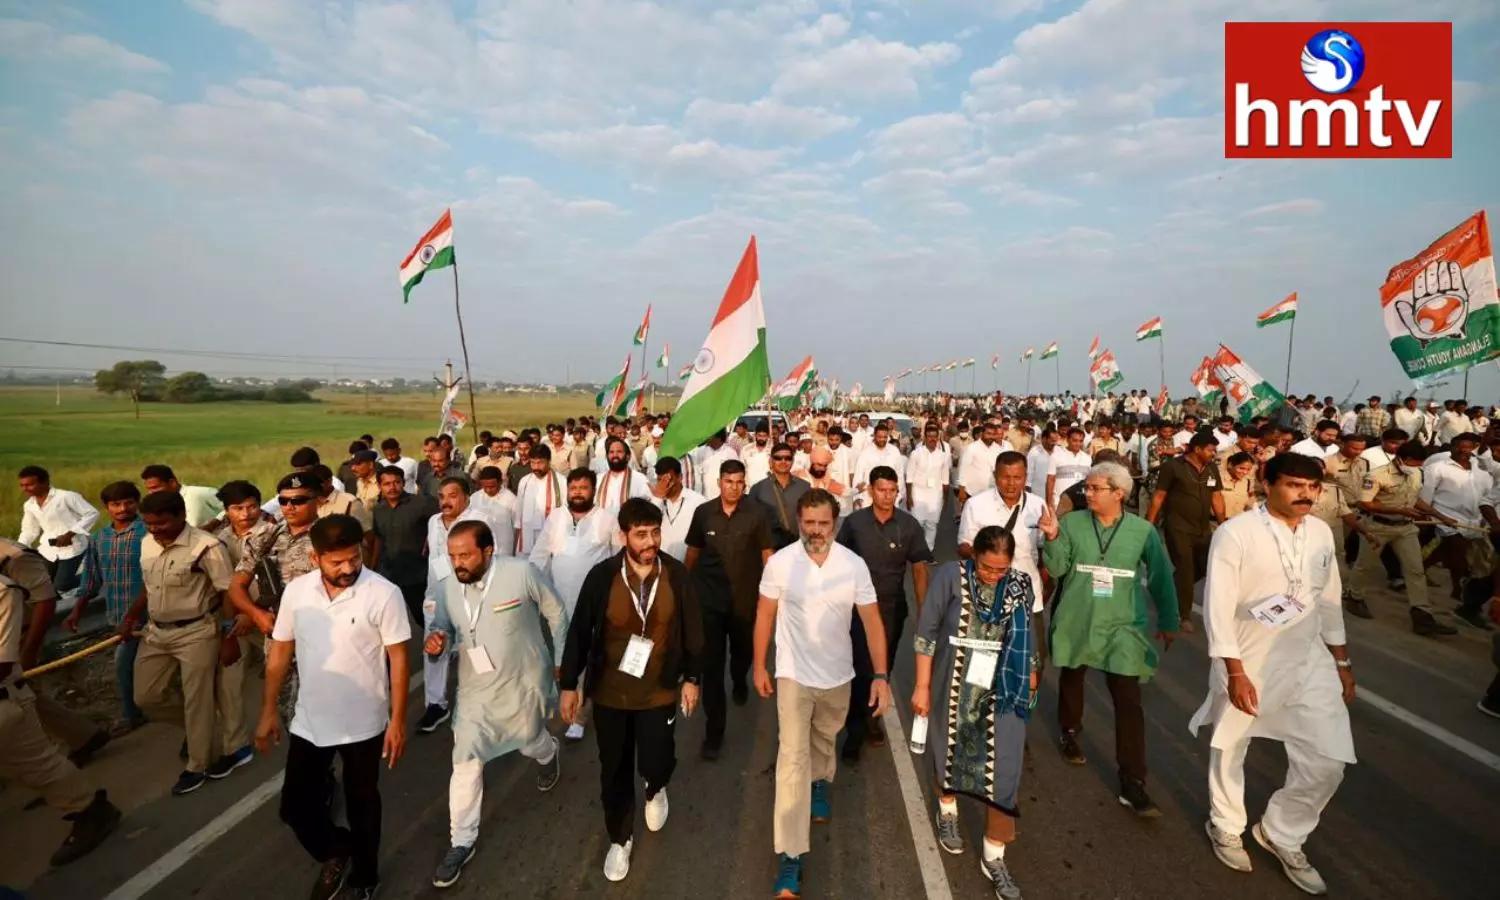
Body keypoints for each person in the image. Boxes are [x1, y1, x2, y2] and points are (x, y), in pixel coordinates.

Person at [1191, 453, 1356, 896]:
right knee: (1231, 745)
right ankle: (1225, 824)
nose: (1305, 494)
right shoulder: (1235, 533)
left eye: (1312, 487)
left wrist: (1341, 661)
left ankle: (1282, 832)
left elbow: (1329, 599)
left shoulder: (1320, 531)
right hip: (1247, 656)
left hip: (1308, 658)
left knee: (1328, 759)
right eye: (1294, 485)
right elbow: (1218, 606)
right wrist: (1235, 671)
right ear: (1267, 484)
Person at [257, 515, 411, 900]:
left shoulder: (384, 593)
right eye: (336, 562)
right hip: (311, 720)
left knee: (363, 803)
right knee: (294, 807)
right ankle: (337, 849)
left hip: (365, 722)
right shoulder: (297, 592)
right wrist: (268, 710)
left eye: (354, 559)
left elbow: (399, 660)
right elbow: (280, 652)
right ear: (315, 558)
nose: (348, 569)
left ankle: (365, 876)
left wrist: (398, 720)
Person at [753, 488, 890, 899]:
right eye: (809, 523)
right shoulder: (780, 563)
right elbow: (764, 614)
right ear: (799, 522)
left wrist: (881, 675)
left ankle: (820, 782)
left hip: (838, 675)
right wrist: (760, 664)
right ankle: (791, 855)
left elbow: (871, 621)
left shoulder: (853, 566)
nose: (816, 531)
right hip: (793, 675)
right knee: (791, 759)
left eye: (824, 523)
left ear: (836, 523)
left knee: (825, 738)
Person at [560, 498, 704, 882]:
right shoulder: (602, 576)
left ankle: (656, 789)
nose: (650, 541)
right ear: (623, 536)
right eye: (641, 534)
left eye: (655, 532)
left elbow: (693, 629)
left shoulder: (674, 574)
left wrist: (692, 677)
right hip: (611, 694)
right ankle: (620, 839)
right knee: (614, 769)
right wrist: (568, 685)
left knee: (657, 759)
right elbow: (579, 632)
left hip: (659, 691)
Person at [425, 521, 568, 888]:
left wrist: (561, 661)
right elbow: (440, 626)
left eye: (466, 555)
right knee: (466, 761)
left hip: (523, 683)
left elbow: (556, 612)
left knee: (529, 742)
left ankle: (548, 752)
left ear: (488, 551)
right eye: (453, 555)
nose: (458, 563)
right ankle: (461, 841)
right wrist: (436, 640)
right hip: (476, 692)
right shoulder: (447, 587)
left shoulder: (521, 573)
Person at [1040, 462, 1179, 816]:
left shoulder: (1142, 531)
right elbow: (1056, 569)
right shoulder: (1071, 524)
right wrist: (1052, 539)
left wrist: (1169, 619)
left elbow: (1162, 577)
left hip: (1123, 625)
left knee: (1129, 701)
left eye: (1094, 488)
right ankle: (1069, 731)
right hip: (1079, 616)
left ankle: (1133, 781)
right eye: (1086, 488)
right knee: (1073, 675)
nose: (1087, 494)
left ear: (1119, 493)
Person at [912, 526, 1039, 899]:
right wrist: (921, 685)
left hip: (1003, 687)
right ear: (974, 556)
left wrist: (1030, 669)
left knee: (1005, 770)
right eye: (987, 567)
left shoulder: (1019, 583)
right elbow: (927, 630)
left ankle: (994, 856)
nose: (993, 575)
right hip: (954, 680)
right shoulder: (951, 576)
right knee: (949, 750)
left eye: (1001, 569)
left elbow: (1026, 631)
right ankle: (948, 810)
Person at [0, 571, 122, 866]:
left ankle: (91, 811)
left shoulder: (3, 593)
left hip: (5, 699)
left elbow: (2, 663)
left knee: (39, 767)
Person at [124, 489, 236, 796]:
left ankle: (198, 765)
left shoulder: (207, 547)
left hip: (198, 631)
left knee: (197, 698)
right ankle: (199, 728)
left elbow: (227, 592)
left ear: (181, 516)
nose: (154, 530)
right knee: (146, 697)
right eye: (148, 523)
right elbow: (150, 585)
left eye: (160, 523)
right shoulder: (147, 543)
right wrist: (131, 616)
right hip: (155, 632)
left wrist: (228, 635)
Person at [835, 465, 932, 761]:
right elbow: (838, 563)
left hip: (891, 609)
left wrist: (924, 616)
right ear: (871, 491)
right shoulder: (854, 524)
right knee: (859, 668)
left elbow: (918, 569)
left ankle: (871, 720)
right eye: (882, 490)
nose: (887, 496)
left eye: (892, 491)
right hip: (855, 610)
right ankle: (854, 732)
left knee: (882, 668)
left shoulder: (909, 526)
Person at [684, 459, 774, 760]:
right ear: (719, 483)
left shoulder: (757, 513)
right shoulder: (703, 513)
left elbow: (767, 555)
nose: (734, 487)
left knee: (742, 654)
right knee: (711, 669)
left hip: (744, 601)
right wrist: (683, 590)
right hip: (708, 602)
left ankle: (739, 678)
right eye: (728, 481)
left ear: (744, 483)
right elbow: (693, 554)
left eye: (739, 482)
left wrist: (773, 594)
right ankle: (714, 733)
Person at [529, 467, 621, 741]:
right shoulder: (556, 517)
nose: (578, 492)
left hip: (592, 604)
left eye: (583, 488)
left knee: (586, 657)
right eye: (574, 488)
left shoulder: (606, 519)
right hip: (558, 603)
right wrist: (529, 586)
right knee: (562, 656)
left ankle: (579, 715)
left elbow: (617, 559)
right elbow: (540, 554)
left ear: (593, 490)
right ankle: (565, 701)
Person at [65, 480, 150, 736]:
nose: (123, 508)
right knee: (125, 666)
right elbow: (90, 579)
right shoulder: (99, 539)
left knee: (131, 664)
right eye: (116, 504)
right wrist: (76, 610)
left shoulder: (151, 532)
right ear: (106, 507)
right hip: (119, 617)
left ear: (137, 503)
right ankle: (133, 714)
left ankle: (134, 713)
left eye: (128, 502)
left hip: (155, 615)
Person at [1353, 441, 1456, 635]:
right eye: (1414, 463)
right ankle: (1354, 596)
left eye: (1419, 464)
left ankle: (1422, 614)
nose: (1416, 467)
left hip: (1405, 528)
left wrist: (1441, 516)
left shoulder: (1416, 473)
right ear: (1401, 459)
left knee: (1416, 570)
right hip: (1377, 526)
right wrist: (1397, 509)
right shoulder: (1376, 475)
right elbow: (1364, 503)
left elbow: (1415, 499)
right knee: (1365, 565)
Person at [1146, 431, 1225, 631]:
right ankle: (1184, 615)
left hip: (1203, 529)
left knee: (1203, 566)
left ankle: (1172, 584)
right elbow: (1159, 495)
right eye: (1210, 450)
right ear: (1197, 449)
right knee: (1185, 567)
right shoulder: (1172, 466)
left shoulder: (1212, 468)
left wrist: (1224, 525)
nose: (1213, 453)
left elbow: (1216, 497)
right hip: (1177, 526)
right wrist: (1148, 524)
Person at [370, 466, 439, 624]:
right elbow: (378, 538)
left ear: (403, 483)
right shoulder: (378, 510)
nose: (392, 487)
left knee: (424, 617)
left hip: (418, 573)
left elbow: (442, 521)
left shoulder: (421, 503)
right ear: (379, 486)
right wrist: (373, 566)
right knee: (391, 619)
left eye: (396, 482)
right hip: (389, 573)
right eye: (387, 484)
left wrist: (430, 539)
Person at [16, 465, 98, 595]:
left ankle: (97, 577)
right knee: (45, 583)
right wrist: (19, 548)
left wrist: (70, 534)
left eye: (29, 485)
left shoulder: (66, 497)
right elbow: (29, 529)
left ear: (45, 482)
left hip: (73, 548)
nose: (25, 489)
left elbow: (92, 514)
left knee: (62, 584)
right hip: (48, 550)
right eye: (22, 485)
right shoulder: (29, 505)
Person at [748, 443, 810, 550]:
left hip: (799, 548)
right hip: (769, 550)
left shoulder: (804, 487)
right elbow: (751, 523)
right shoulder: (758, 489)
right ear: (770, 461)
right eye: (778, 458)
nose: (783, 462)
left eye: (788, 458)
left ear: (793, 461)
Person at [905, 422, 952, 552]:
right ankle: (916, 550)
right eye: (929, 436)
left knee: (932, 524)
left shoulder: (943, 456)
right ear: (925, 438)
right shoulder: (916, 454)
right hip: (917, 493)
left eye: (934, 436)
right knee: (918, 523)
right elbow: (909, 477)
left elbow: (946, 481)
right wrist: (909, 497)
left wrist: (945, 500)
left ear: (938, 438)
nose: (932, 439)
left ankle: (928, 551)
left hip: (935, 495)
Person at [651, 457, 705, 560]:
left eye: (669, 480)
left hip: (689, 567)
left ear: (680, 477)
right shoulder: (654, 501)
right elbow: (647, 523)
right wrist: (658, 498)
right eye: (660, 480)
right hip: (659, 566)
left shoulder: (698, 502)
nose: (665, 484)